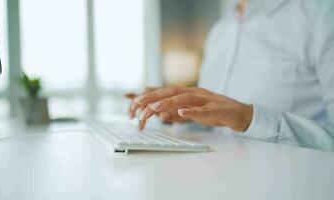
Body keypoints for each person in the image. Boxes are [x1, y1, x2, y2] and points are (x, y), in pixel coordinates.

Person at [125, 0, 334, 151]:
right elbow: (216, 128)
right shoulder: (220, 30)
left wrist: (248, 117)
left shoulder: (323, 13)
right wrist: (179, 112)